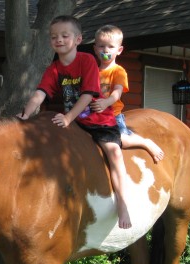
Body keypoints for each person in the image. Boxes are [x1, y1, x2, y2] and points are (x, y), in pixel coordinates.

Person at [17, 15, 131, 229]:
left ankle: (123, 204)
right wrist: (26, 114)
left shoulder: (86, 60)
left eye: (64, 35)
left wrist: (69, 117)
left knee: (114, 153)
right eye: (54, 37)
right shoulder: (54, 69)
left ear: (78, 39)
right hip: (75, 121)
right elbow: (40, 93)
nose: (58, 40)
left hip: (98, 120)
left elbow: (88, 94)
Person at [90, 25, 164, 163]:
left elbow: (117, 93)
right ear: (95, 49)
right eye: (101, 46)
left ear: (119, 50)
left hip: (113, 115)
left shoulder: (118, 71)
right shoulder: (93, 71)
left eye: (110, 47)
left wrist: (106, 102)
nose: (105, 50)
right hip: (94, 115)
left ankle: (144, 142)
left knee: (120, 139)